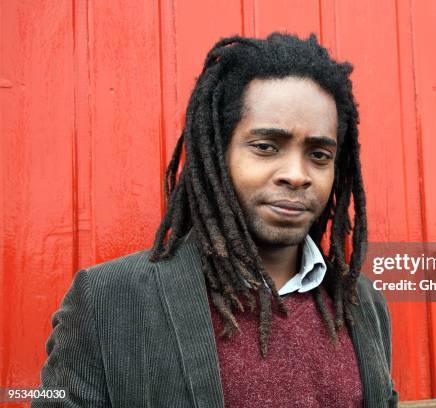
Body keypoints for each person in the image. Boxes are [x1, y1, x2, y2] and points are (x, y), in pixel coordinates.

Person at [33, 33, 398, 407]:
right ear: (217, 154)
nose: (296, 174)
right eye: (266, 147)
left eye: (319, 155)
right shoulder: (108, 299)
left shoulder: (363, 304)